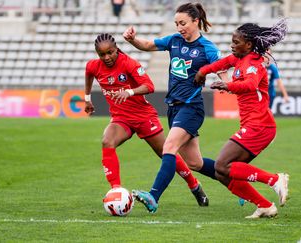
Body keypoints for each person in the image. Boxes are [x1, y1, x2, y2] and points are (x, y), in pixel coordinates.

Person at [123, 2, 228, 213]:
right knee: (195, 163)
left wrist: (227, 83)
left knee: (168, 147)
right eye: (177, 23)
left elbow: (222, 69)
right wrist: (132, 39)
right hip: (173, 108)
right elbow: (147, 45)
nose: (180, 27)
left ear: (196, 21)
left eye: (183, 23)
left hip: (192, 108)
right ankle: (238, 182)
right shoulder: (174, 40)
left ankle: (153, 196)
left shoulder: (207, 47)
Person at [84, 33, 209, 208]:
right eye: (102, 54)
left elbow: (149, 86)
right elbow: (89, 73)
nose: (107, 57)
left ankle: (193, 184)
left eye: (110, 53)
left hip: (143, 116)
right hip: (121, 119)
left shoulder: (129, 63)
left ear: (116, 49)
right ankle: (116, 190)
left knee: (166, 153)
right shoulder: (94, 66)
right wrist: (87, 97)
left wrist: (129, 92)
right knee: (107, 141)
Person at [194, 20, 289, 218]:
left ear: (248, 44)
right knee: (223, 173)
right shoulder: (238, 58)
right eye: (232, 41)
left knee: (221, 164)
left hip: (260, 126)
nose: (232, 45)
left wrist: (227, 86)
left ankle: (275, 179)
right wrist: (203, 71)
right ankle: (264, 205)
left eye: (236, 42)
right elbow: (221, 63)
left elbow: (250, 84)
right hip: (254, 126)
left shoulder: (253, 63)